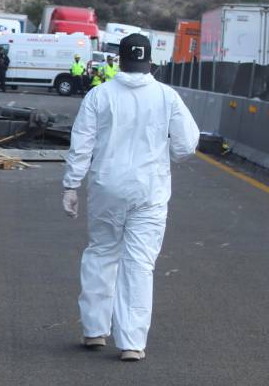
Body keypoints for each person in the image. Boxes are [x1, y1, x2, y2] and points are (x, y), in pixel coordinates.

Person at [61, 33, 199, 362]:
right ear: (149, 63)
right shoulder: (167, 97)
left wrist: (71, 185)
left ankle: (95, 330)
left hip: (107, 186)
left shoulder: (99, 95)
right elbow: (186, 145)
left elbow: (82, 144)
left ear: (119, 61)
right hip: (149, 190)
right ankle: (132, 342)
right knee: (139, 264)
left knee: (102, 253)